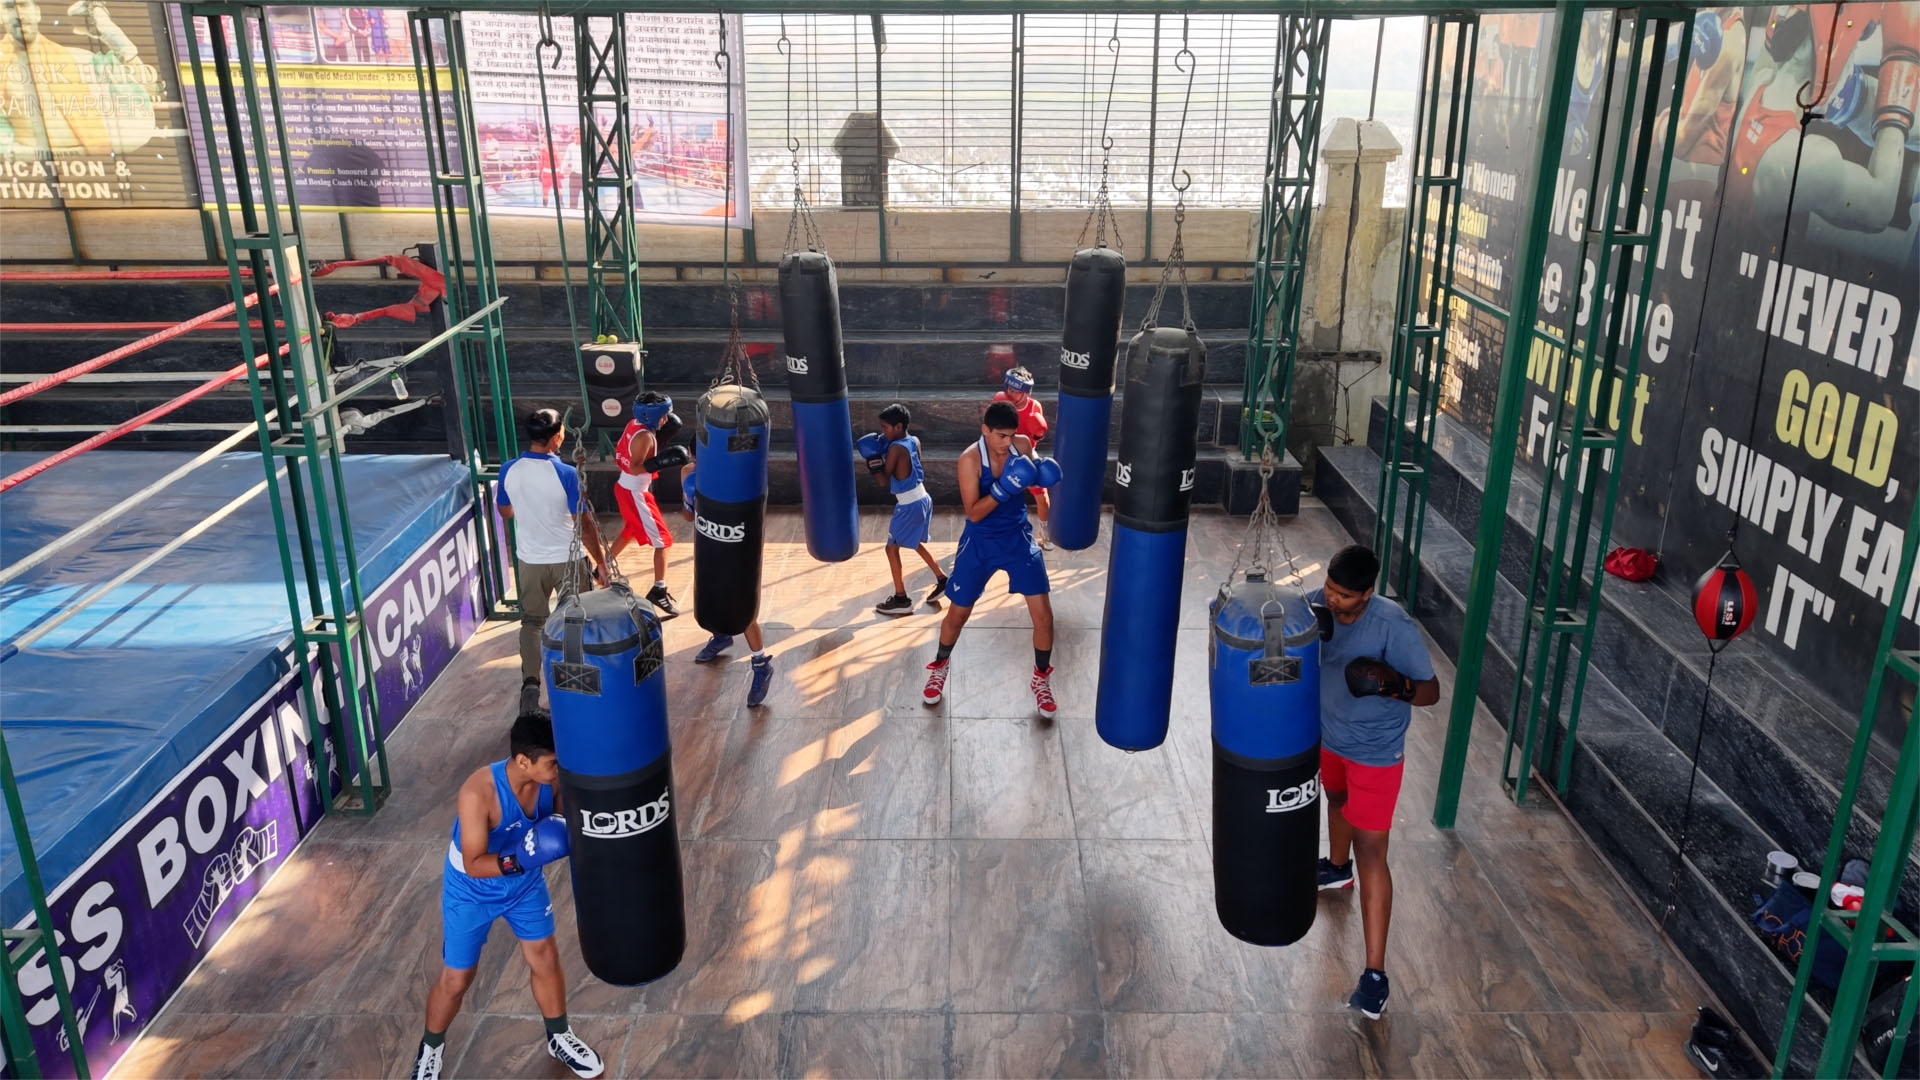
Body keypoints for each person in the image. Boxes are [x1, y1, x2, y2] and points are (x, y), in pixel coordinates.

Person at [410, 712, 603, 1080]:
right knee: (457, 979)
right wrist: (522, 858)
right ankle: (431, 1048)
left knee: (544, 955)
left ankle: (559, 1036)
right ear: (523, 761)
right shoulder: (478, 792)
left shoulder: (551, 780)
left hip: (524, 884)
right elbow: (474, 863)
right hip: (471, 890)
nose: (558, 768)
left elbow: (563, 823)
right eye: (552, 762)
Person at [1308, 544, 1441, 1021]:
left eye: (1344, 595)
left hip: (1375, 753)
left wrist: (1395, 684)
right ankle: (1335, 867)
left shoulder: (1393, 626)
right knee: (1335, 799)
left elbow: (1431, 692)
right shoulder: (1317, 605)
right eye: (1330, 588)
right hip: (1329, 738)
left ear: (1367, 593)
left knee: (1372, 853)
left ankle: (1375, 975)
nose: (1333, 599)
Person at [922, 400, 1061, 718]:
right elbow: (973, 512)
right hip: (980, 543)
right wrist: (1002, 488)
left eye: (1011, 435)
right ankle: (940, 666)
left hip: (1018, 538)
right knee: (957, 614)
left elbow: (1033, 481)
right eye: (1001, 436)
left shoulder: (1022, 445)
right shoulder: (969, 460)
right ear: (985, 430)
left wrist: (1040, 478)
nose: (1007, 442)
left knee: (1044, 616)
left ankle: (1041, 679)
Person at [497, 409, 610, 714]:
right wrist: (601, 563)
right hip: (568, 560)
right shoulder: (567, 474)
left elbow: (505, 511)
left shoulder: (508, 469)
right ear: (557, 437)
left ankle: (531, 685)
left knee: (532, 622)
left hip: (529, 561)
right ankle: (576, 690)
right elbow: (584, 526)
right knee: (575, 621)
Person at [680, 453, 774, 707]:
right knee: (710, 592)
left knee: (742, 608)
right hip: (709, 544)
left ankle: (761, 664)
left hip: (740, 549)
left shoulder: (742, 473)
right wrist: (690, 497)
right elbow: (688, 517)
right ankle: (721, 636)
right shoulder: (689, 473)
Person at [859, 403, 946, 616]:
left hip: (909, 505)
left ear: (898, 427)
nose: (882, 432)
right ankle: (943, 579)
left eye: (885, 427)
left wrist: (872, 460)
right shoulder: (913, 440)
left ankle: (901, 599)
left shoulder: (896, 449)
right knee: (914, 542)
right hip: (923, 498)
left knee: (891, 549)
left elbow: (883, 480)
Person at [607, 391, 683, 620]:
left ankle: (600, 568)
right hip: (635, 492)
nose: (666, 420)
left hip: (625, 488)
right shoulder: (645, 437)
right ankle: (659, 589)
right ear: (651, 416)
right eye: (662, 416)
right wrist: (660, 462)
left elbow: (622, 456)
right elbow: (634, 467)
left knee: (630, 530)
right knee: (664, 541)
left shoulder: (634, 424)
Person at [993, 367, 1054, 549]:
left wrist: (1038, 433)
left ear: (1026, 391)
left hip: (1026, 454)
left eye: (1016, 391)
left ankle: (1045, 531)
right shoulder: (1001, 403)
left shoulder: (1035, 407)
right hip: (1003, 453)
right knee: (997, 494)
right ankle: (997, 532)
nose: (1011, 393)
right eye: (1009, 389)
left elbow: (1037, 437)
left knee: (1041, 495)